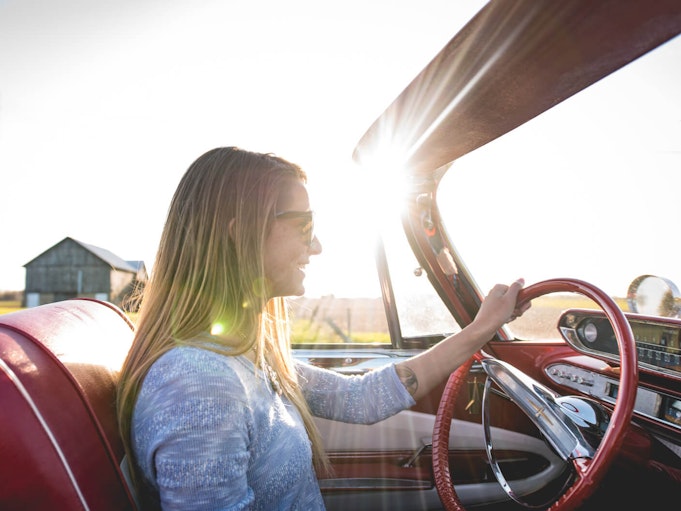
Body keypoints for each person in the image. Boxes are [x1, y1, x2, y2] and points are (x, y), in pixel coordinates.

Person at [116, 146, 529, 511]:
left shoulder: (243, 358)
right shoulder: (199, 382)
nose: (316, 247)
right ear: (237, 233)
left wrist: (480, 329)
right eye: (304, 227)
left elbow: (360, 398)